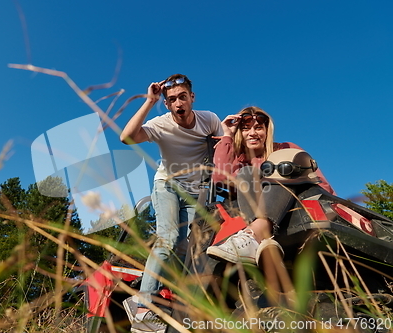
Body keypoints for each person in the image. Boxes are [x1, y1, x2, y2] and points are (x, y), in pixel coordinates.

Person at [120, 74, 223, 333]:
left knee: (189, 247)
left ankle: (175, 296)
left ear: (192, 98)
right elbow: (127, 137)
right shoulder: (161, 124)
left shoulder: (209, 119)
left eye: (183, 97)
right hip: (167, 185)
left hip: (195, 192)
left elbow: (226, 147)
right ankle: (143, 308)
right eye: (172, 99)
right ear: (167, 104)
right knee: (167, 238)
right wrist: (149, 101)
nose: (178, 103)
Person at [206, 106, 335, 265]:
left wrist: (332, 207)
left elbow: (317, 179)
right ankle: (263, 241)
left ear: (267, 131)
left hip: (292, 209)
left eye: (258, 128)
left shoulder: (284, 148)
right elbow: (220, 178)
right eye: (246, 129)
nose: (252, 133)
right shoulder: (238, 161)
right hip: (253, 213)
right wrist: (227, 135)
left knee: (282, 166)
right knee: (246, 173)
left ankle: (255, 235)